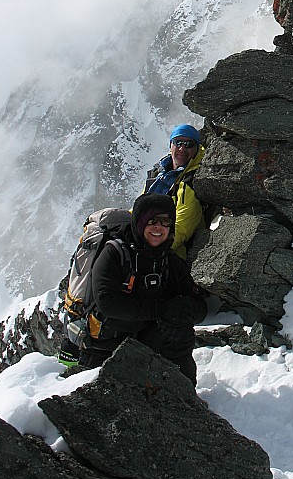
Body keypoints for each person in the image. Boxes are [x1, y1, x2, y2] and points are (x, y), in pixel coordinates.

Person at [79, 193, 206, 386]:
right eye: (151, 220)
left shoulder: (170, 262)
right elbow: (107, 303)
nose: (158, 227)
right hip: (106, 345)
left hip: (142, 339)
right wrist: (163, 310)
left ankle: (183, 394)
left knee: (180, 331)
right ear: (139, 222)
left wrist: (185, 309)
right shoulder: (114, 254)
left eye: (165, 222)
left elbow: (200, 307)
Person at [144, 124, 205, 259]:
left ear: (196, 149)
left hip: (171, 253)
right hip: (148, 235)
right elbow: (140, 208)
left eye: (189, 144)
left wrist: (150, 248)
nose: (182, 148)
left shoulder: (194, 180)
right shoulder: (157, 174)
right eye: (178, 143)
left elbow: (182, 228)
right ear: (171, 145)